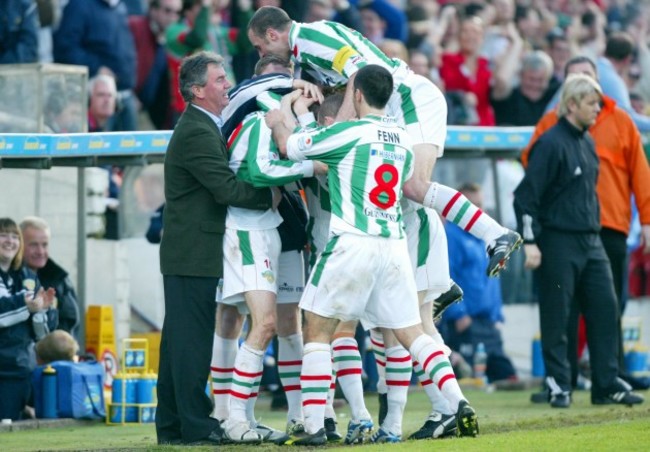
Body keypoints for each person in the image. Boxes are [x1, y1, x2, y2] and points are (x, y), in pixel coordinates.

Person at [267, 64, 479, 444]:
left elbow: (291, 147)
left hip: (352, 241)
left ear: (358, 95)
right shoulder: (401, 137)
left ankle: (314, 425)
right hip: (394, 246)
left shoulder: (347, 132)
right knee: (410, 332)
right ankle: (456, 400)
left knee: (317, 328)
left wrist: (286, 117)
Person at [247, 4, 521, 279]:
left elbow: (358, 73)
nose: (260, 55)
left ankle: (494, 234)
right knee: (398, 194)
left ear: (272, 35)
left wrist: (338, 132)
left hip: (408, 98)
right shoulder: (304, 58)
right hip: (389, 108)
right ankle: (433, 279)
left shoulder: (308, 38)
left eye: (259, 47)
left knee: (414, 185)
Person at [156, 50, 278, 446]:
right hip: (192, 252)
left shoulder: (202, 125)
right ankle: (195, 424)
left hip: (187, 251)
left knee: (178, 344)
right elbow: (225, 189)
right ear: (197, 90)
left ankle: (173, 426)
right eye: (220, 80)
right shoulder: (196, 130)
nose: (228, 85)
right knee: (190, 344)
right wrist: (270, 198)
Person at [513, 74, 644, 408]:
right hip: (558, 240)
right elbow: (525, 197)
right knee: (558, 316)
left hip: (591, 238)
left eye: (598, 103)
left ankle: (606, 383)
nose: (598, 109)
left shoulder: (587, 143)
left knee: (606, 308)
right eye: (591, 103)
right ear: (571, 105)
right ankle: (558, 384)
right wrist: (530, 241)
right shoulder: (550, 143)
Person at [441, 183, 517, 384]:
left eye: (480, 205)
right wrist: (458, 314)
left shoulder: (487, 238)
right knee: (470, 379)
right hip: (466, 322)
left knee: (508, 376)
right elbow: (447, 275)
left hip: (489, 323)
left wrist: (497, 315)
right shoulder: (451, 236)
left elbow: (494, 279)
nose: (478, 210)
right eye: (471, 205)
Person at [0, 218, 57, 421]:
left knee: (12, 428)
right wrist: (27, 307)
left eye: (14, 236)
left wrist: (43, 310)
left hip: (21, 367)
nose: (10, 241)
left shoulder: (26, 276)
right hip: (6, 367)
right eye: (3, 235)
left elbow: (44, 331)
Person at [53, 0, 138, 131]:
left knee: (131, 149)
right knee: (100, 148)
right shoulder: (79, 6)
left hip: (124, 96)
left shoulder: (120, 7)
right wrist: (96, 68)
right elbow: (65, 47)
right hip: (96, 97)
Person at [20, 216, 80, 339]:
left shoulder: (60, 280)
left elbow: (70, 323)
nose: (40, 251)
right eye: (33, 245)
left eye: (45, 245)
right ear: (19, 244)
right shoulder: (7, 278)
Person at [128, 0, 182, 129]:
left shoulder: (171, 39)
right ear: (153, 10)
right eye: (167, 11)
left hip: (152, 112)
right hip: (129, 103)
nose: (172, 17)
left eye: (177, 13)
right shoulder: (134, 27)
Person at [492, 50, 560, 126]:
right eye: (531, 79)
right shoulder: (508, 97)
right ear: (521, 75)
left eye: (540, 80)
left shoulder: (553, 95)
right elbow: (501, 80)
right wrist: (517, 43)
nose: (535, 85)